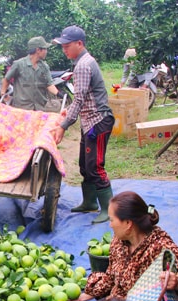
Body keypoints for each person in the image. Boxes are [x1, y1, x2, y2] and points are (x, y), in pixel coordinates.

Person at [52, 26, 115, 224]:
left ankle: (109, 210)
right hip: (89, 122)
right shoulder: (81, 63)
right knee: (85, 165)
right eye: (62, 46)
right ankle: (90, 202)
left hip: (98, 121)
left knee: (95, 166)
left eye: (67, 46)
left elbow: (78, 100)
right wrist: (68, 114)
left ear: (80, 44)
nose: (64, 50)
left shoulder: (83, 65)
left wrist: (63, 125)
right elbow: (83, 99)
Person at [0, 36, 59, 111]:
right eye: (45, 49)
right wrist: (3, 93)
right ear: (38, 50)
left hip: (39, 108)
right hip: (22, 109)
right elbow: (6, 79)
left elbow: (49, 84)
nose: (46, 51)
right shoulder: (19, 64)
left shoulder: (44, 67)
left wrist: (59, 94)